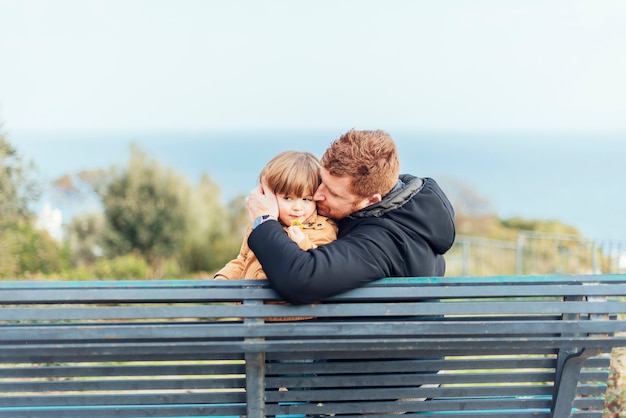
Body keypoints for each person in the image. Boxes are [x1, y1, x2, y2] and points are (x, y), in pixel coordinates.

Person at [245, 129, 456, 305]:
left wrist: (264, 221)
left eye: (333, 193)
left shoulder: (384, 242)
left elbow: (301, 279)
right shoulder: (396, 200)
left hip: (382, 353)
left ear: (371, 200)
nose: (317, 195)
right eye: (322, 181)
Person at [214, 150, 337, 281]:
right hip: (250, 298)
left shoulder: (323, 227)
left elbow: (320, 266)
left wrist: (303, 242)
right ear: (271, 196)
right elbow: (243, 260)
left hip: (287, 300)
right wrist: (223, 278)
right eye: (288, 198)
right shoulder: (259, 224)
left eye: (306, 199)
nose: (297, 207)